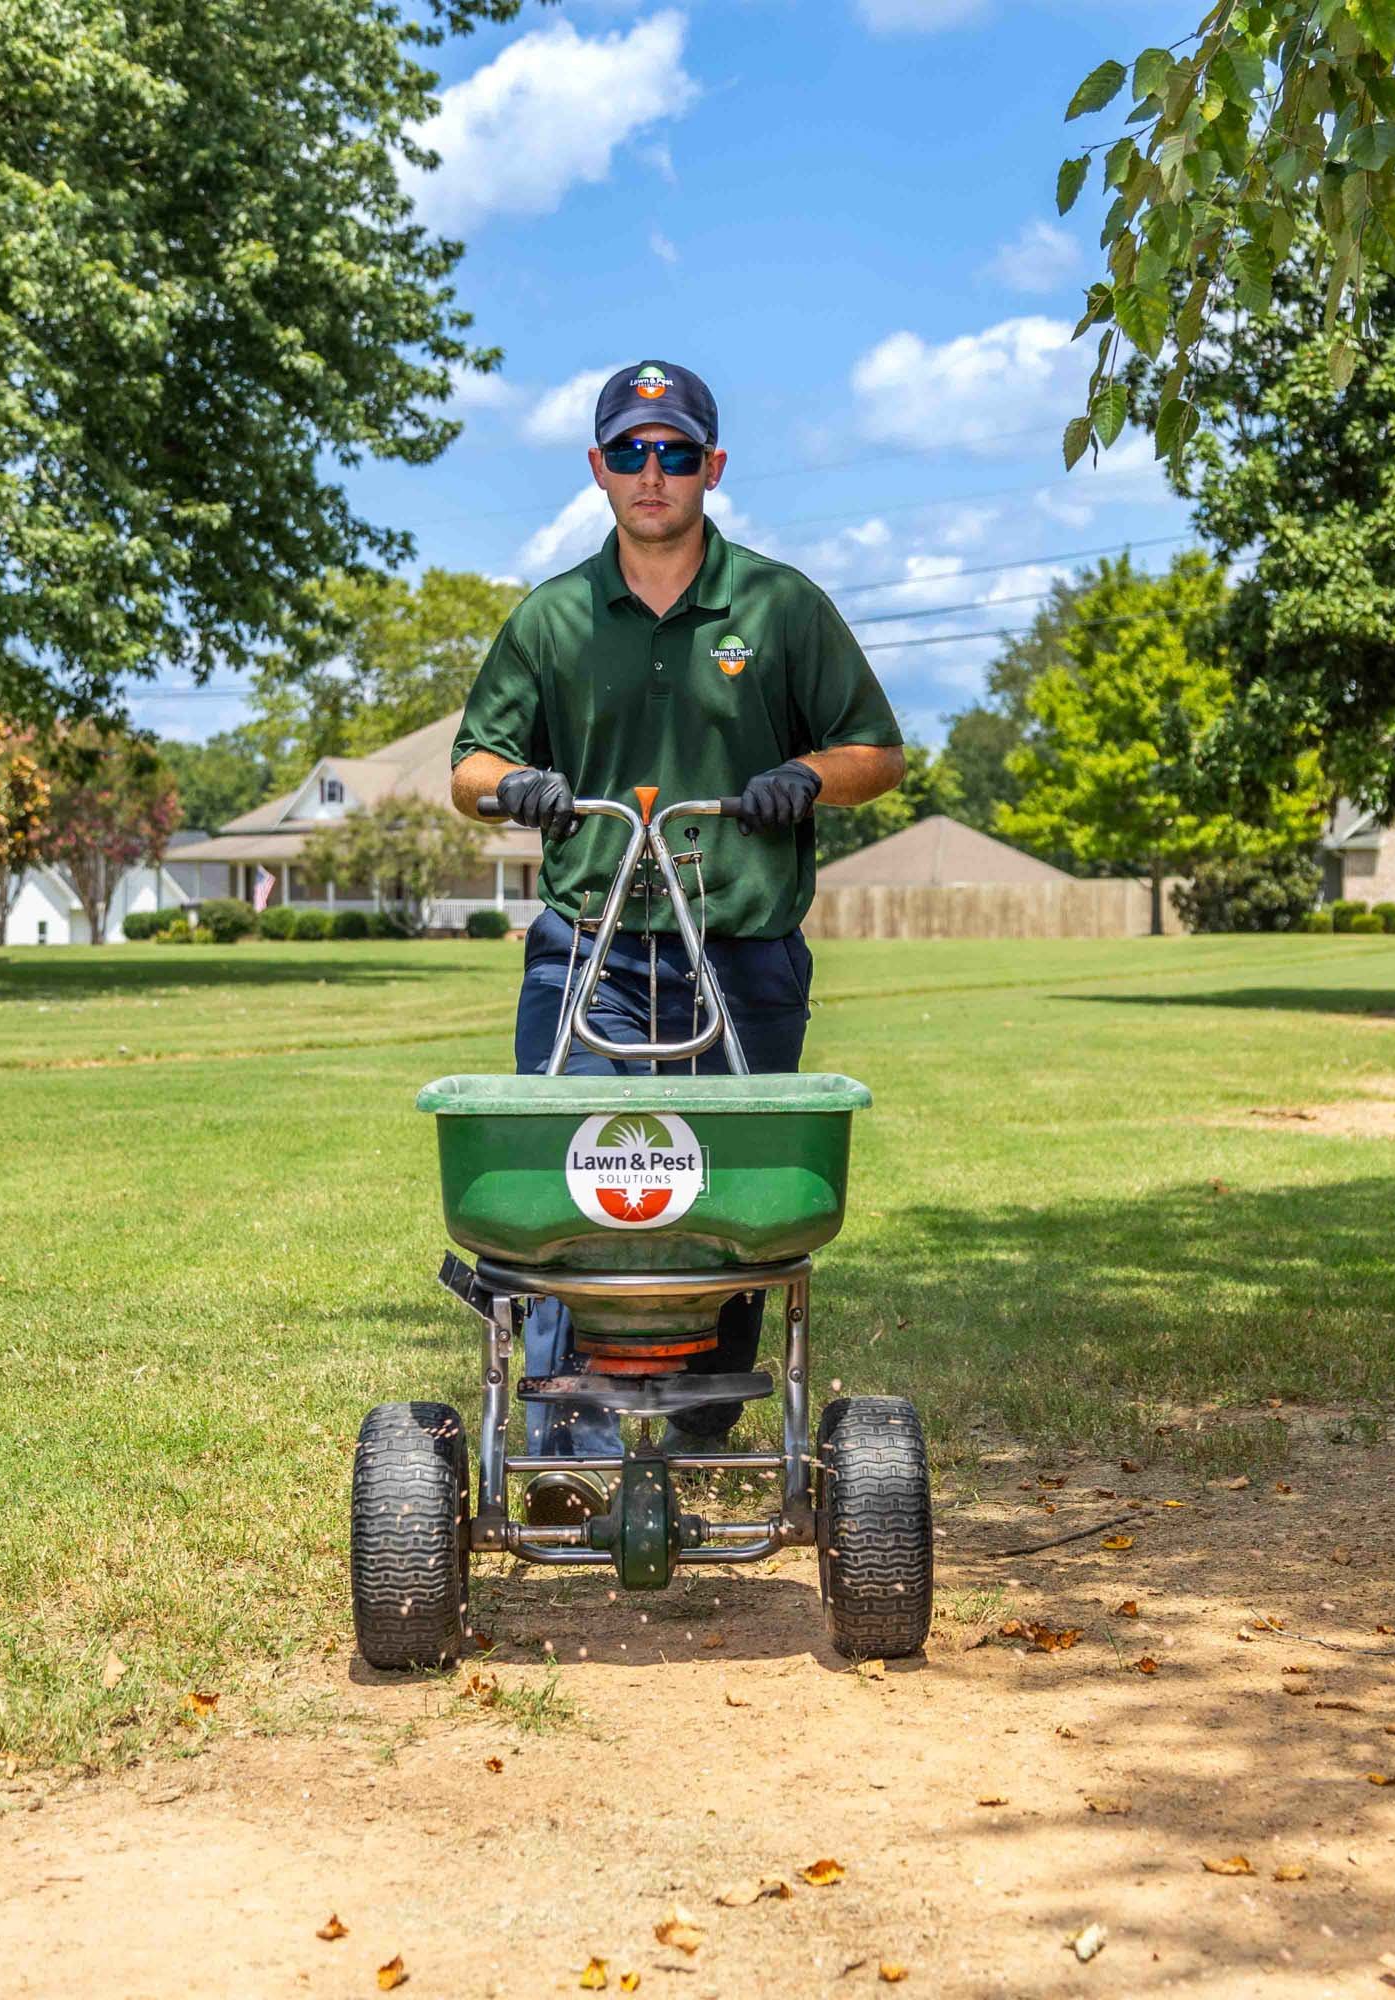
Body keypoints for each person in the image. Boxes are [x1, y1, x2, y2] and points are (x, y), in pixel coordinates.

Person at [450, 359, 904, 1514]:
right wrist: (524, 789)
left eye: (677, 451)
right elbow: (469, 768)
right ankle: (561, 1439)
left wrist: (804, 776)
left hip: (740, 944)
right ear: (599, 468)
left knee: (732, 1201)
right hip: (590, 947)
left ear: (712, 465)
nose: (654, 474)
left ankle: (700, 1419)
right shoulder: (552, 616)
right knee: (578, 1185)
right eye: (631, 452)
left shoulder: (780, 605)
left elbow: (878, 752)